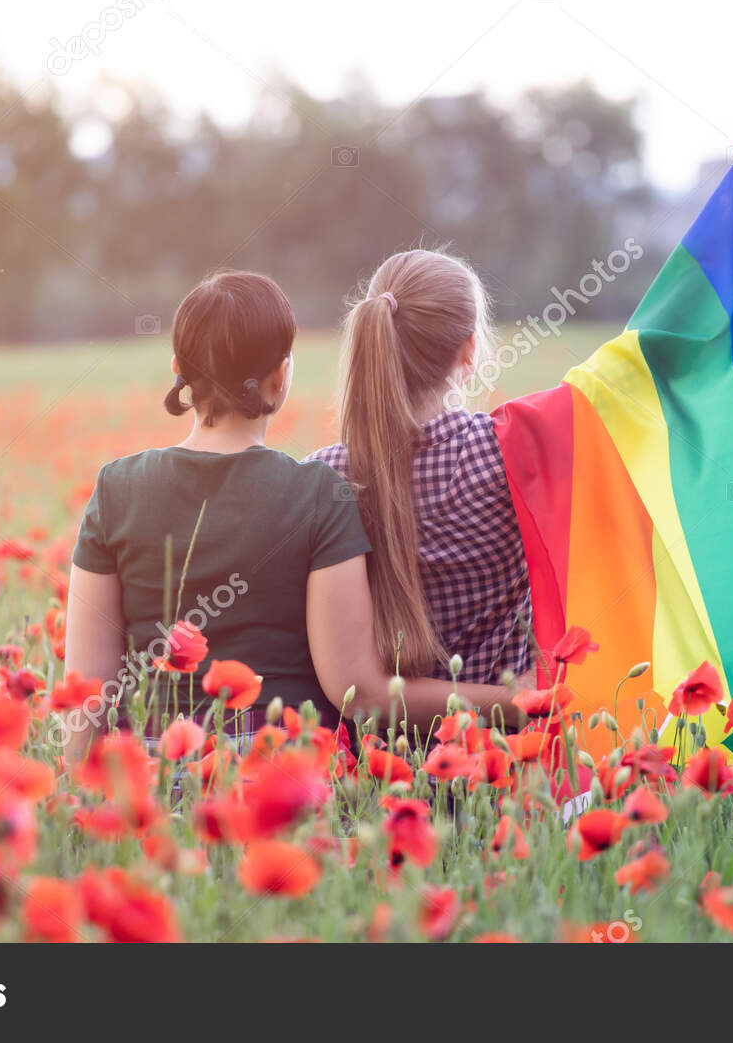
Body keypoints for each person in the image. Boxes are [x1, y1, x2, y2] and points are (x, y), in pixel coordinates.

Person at [62, 270, 517, 767]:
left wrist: (91, 804)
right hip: (280, 774)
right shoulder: (319, 493)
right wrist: (525, 703)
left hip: (143, 778)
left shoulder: (114, 489)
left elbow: (85, 697)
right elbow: (356, 690)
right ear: (280, 377)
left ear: (179, 369)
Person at [309, 250, 534, 687]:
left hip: (374, 754)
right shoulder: (510, 452)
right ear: (470, 349)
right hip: (512, 748)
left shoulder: (323, 477)